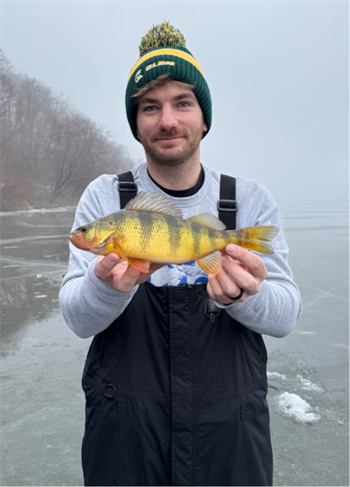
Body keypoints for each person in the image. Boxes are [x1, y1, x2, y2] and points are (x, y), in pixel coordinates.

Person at [59, 21, 301, 487]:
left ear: (204, 117)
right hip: (126, 442)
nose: (167, 120)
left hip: (230, 440)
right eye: (150, 107)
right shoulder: (105, 198)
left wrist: (243, 297)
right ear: (136, 124)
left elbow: (287, 316)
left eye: (182, 103)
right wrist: (105, 286)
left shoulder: (247, 200)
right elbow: (77, 319)